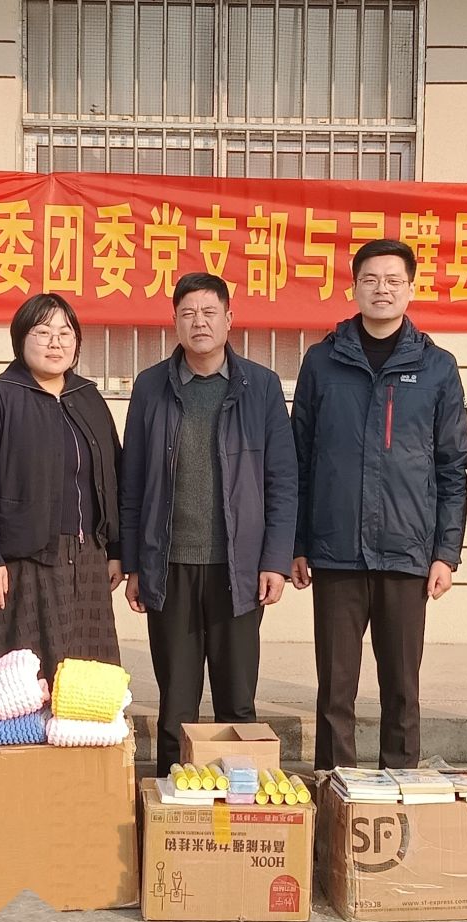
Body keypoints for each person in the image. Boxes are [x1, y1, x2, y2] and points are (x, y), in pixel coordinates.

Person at [290, 238, 467, 771]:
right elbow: (299, 460)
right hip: (336, 551)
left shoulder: (437, 367)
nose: (382, 289)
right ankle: (335, 790)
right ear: (354, 287)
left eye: (393, 280)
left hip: (406, 553)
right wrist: (297, 544)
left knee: (402, 690)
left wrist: (446, 552)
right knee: (334, 690)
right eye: (370, 279)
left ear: (411, 289)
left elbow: (452, 467)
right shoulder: (322, 361)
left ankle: (400, 790)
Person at [120, 272, 297, 775]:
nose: (199, 322)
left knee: (237, 702)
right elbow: (132, 481)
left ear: (229, 319)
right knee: (176, 704)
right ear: (175, 322)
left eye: (209, 312)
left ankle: (238, 802)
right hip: (169, 565)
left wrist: (275, 561)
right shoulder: (151, 386)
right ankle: (172, 803)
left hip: (237, 569)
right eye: (188, 313)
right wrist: (133, 563)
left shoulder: (260, 386)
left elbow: (283, 480)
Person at [0, 293, 125, 749]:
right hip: (19, 562)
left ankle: (80, 767)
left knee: (84, 680)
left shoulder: (88, 398)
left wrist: (116, 550)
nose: (55, 342)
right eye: (42, 332)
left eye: (65, 333)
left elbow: (113, 475)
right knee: (16, 682)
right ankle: (10, 766)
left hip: (86, 562)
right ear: (20, 340)